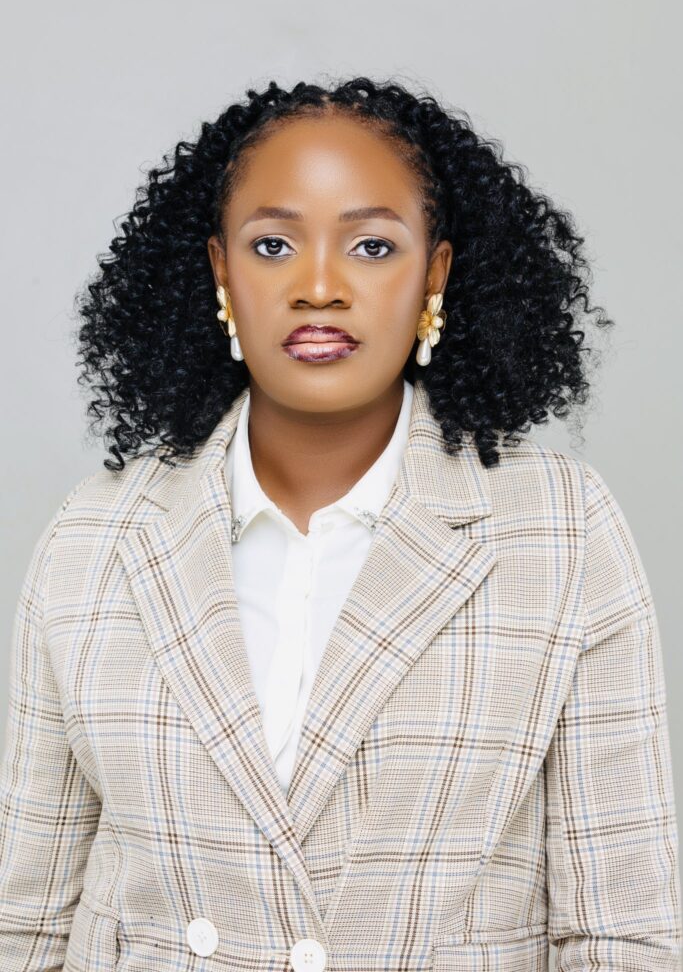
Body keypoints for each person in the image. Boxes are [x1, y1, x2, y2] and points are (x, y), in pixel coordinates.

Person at [0, 75, 680, 972]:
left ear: (434, 274)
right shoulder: (95, 534)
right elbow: (25, 925)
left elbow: (623, 935)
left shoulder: (559, 528)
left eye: (370, 245)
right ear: (221, 272)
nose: (318, 286)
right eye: (273, 244)